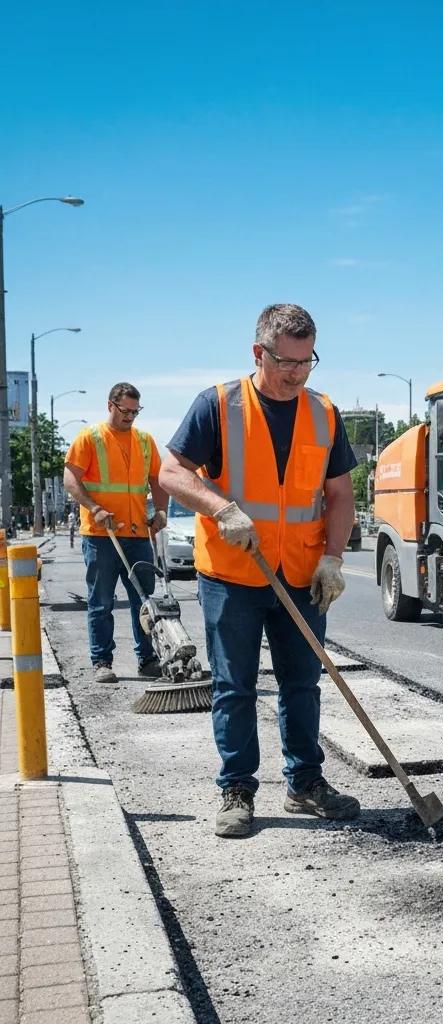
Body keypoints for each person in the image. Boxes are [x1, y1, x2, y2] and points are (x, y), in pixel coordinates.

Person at [159, 303, 360, 839]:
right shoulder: (217, 405)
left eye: (307, 361)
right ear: (259, 352)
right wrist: (221, 509)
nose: (297, 372)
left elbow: (340, 496)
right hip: (233, 574)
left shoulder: (324, 412)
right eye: (286, 361)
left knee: (303, 683)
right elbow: (172, 471)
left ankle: (304, 784)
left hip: (301, 573)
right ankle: (237, 790)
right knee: (235, 686)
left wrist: (333, 558)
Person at [63, 384, 168, 685]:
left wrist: (160, 511)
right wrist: (94, 508)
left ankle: (147, 659)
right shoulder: (90, 438)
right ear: (110, 405)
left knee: (144, 602)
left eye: (136, 411)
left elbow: (157, 480)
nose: (131, 417)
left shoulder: (145, 441)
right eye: (126, 411)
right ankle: (102, 661)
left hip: (137, 534)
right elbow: (71, 479)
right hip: (101, 534)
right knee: (101, 601)